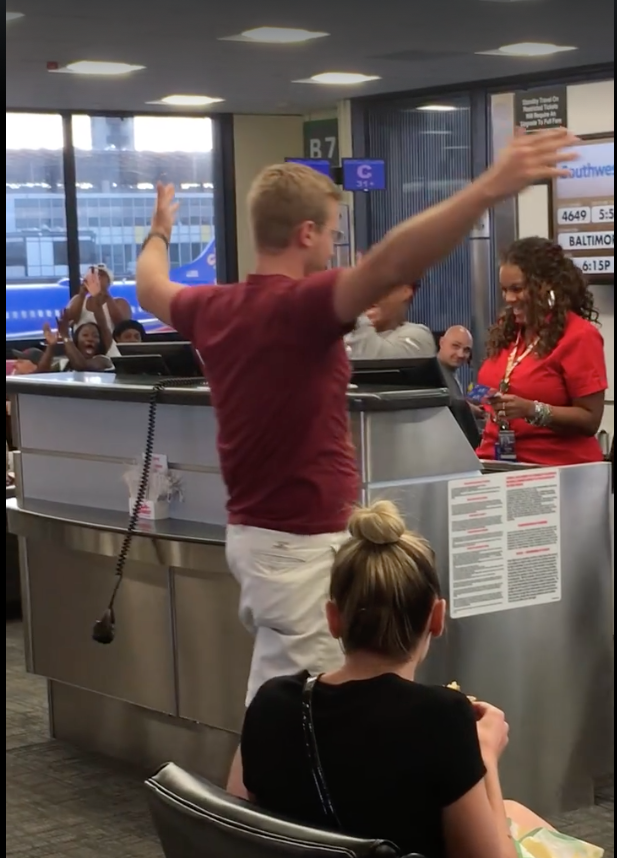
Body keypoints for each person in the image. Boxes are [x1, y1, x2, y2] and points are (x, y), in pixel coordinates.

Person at [134, 127, 580, 797]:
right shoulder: (301, 308)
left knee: (275, 708)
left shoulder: (215, 306)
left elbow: (148, 285)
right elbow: (394, 261)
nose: (339, 249)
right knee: (306, 723)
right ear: (308, 232)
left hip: (259, 539)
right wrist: (493, 185)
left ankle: (233, 840)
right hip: (300, 550)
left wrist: (161, 228)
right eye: (334, 233)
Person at [241, 500, 613, 858]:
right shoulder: (439, 718)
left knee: (515, 812)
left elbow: (233, 824)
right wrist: (483, 753)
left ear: (333, 618)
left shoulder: (271, 704)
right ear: (436, 618)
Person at [477, 237, 608, 465]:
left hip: (553, 471)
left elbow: (590, 420)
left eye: (517, 289)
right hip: (494, 463)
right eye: (504, 290)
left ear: (546, 285)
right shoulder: (507, 331)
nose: (508, 298)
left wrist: (531, 409)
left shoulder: (578, 335)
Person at [345, 283, 437, 359]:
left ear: (404, 291)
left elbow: (374, 362)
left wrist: (355, 315)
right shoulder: (341, 338)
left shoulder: (419, 336)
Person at [66, 264, 131, 336]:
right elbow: (69, 319)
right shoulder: (77, 299)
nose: (97, 277)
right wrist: (82, 294)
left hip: (109, 344)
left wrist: (106, 295)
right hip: (80, 345)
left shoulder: (119, 302)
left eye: (101, 275)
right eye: (93, 275)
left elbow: (123, 326)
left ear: (108, 281)